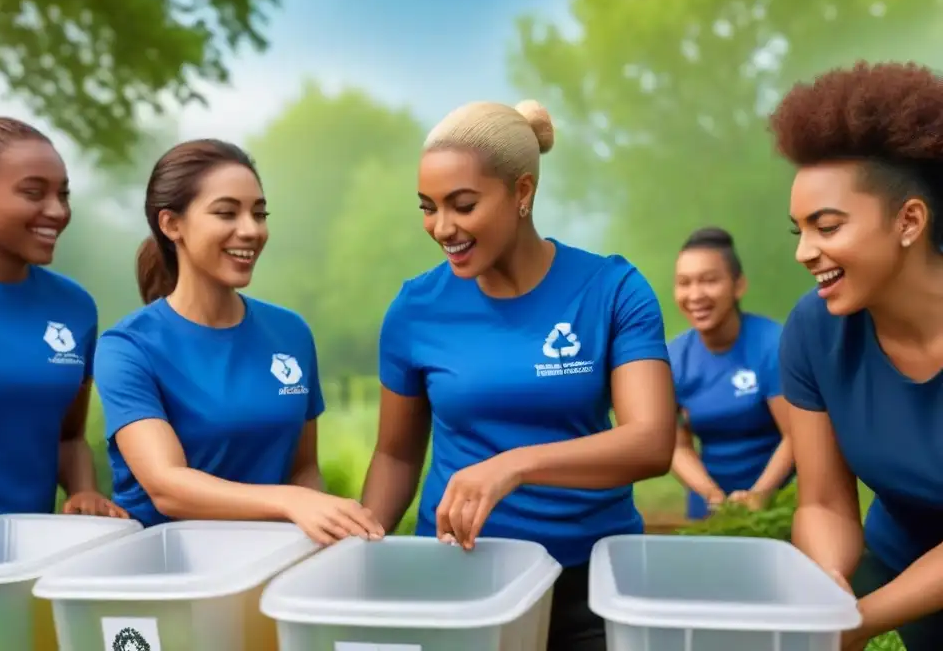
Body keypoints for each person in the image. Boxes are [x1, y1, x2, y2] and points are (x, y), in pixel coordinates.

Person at [360, 100, 677, 651]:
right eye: (428, 207)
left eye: (462, 205)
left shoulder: (611, 290)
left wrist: (513, 467)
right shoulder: (415, 309)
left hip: (590, 588)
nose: (442, 228)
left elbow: (651, 443)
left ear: (522, 192)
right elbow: (396, 455)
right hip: (458, 580)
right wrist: (361, 555)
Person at [93, 138, 384, 545]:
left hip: (267, 568)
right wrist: (291, 502)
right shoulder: (127, 347)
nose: (251, 230)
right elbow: (167, 486)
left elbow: (303, 469)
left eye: (259, 213)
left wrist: (311, 520)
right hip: (166, 575)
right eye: (226, 213)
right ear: (171, 224)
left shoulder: (290, 333)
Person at [771, 61, 943, 651]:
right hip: (900, 572)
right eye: (799, 231)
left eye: (827, 226)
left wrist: (862, 619)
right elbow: (822, 500)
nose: (806, 252)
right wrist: (829, 588)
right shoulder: (814, 331)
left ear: (909, 221)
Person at [0, 108, 126, 533]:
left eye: (63, 195)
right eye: (34, 193)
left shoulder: (75, 308)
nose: (57, 211)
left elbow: (67, 436)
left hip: (27, 552)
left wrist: (84, 490)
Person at [668, 227, 792, 520]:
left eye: (709, 281)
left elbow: (796, 436)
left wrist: (760, 495)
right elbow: (676, 446)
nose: (695, 295)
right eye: (684, 283)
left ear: (738, 286)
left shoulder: (773, 345)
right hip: (708, 508)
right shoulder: (673, 359)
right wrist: (712, 496)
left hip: (777, 505)